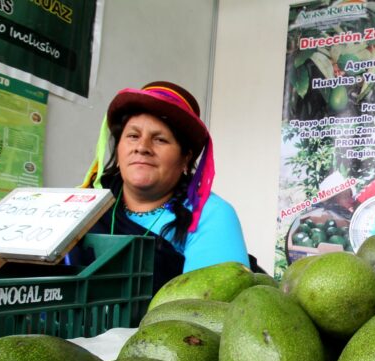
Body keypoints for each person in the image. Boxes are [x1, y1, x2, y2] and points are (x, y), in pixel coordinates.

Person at [79, 81, 250, 291]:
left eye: (160, 139)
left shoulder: (211, 215)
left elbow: (208, 310)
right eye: (133, 136)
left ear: (185, 159)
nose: (142, 147)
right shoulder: (86, 203)